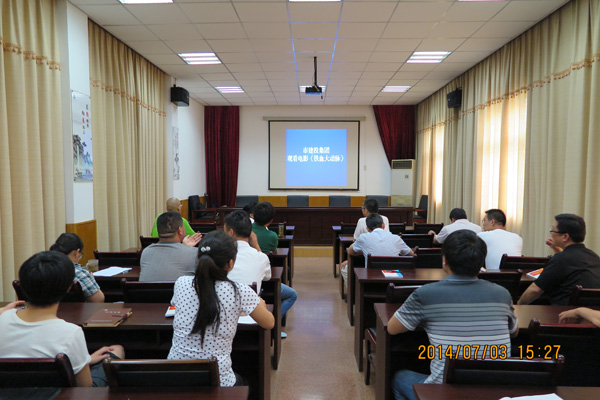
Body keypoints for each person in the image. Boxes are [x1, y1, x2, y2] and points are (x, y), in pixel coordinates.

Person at [388, 230, 518, 400]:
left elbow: (392, 329)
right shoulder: (502, 293)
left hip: (443, 392)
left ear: (444, 261)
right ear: (481, 262)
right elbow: (514, 332)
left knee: (400, 378)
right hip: (494, 391)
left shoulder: (426, 294)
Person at [0, 251, 125, 387]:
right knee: (116, 350)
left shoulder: (3, 318)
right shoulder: (70, 333)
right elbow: (85, 388)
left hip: (8, 394)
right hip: (56, 395)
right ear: (68, 287)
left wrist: (86, 360)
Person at [168, 230, 275, 387]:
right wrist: (260, 304)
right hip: (218, 382)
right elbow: (269, 323)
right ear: (230, 263)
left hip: (174, 378)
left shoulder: (181, 283)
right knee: (249, 378)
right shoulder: (239, 291)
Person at [225, 210, 297, 337]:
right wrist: (256, 245)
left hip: (224, 311)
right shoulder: (260, 257)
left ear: (230, 232)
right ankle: (274, 329)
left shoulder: (220, 255)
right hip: (252, 312)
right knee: (290, 294)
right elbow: (268, 277)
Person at [518, 214, 600, 305]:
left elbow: (535, 290)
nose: (551, 233)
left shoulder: (562, 259)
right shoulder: (594, 257)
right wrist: (558, 251)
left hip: (564, 311)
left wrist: (517, 306)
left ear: (565, 237)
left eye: (552, 230)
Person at [341, 213, 413, 286]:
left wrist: (363, 250)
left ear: (367, 229)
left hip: (371, 282)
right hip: (394, 280)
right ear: (383, 225)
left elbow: (350, 251)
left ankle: (353, 292)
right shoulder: (397, 238)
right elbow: (412, 254)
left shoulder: (363, 237)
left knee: (345, 268)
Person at [140, 211, 202, 281]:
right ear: (180, 230)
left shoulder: (146, 252)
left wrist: (184, 247)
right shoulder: (194, 253)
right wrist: (186, 248)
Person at [49, 233, 105, 302]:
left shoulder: (46, 269)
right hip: (75, 309)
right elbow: (98, 300)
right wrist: (92, 280)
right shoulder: (80, 273)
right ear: (76, 252)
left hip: (49, 308)